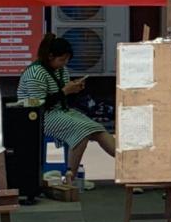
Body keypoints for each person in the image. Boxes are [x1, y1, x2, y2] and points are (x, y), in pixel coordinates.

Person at [17, 34, 116, 186]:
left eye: (67, 60)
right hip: (39, 117)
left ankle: (130, 165)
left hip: (61, 111)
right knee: (81, 131)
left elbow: (64, 97)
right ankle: (71, 178)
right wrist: (65, 91)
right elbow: (39, 105)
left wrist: (74, 89)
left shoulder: (61, 70)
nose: (65, 63)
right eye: (62, 60)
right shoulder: (35, 73)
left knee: (97, 129)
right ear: (50, 57)